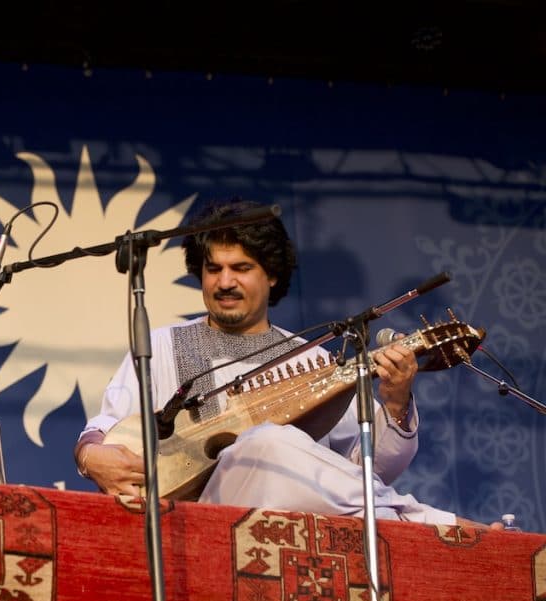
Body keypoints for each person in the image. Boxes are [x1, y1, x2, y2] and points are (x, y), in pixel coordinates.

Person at [74, 198, 495, 528]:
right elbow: (105, 427)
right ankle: (431, 523)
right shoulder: (161, 345)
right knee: (264, 443)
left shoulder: (311, 359)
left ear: (271, 275)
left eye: (241, 268)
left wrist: (397, 400)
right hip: (197, 515)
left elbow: (363, 473)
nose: (224, 282)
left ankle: (414, 521)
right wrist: (91, 457)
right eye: (213, 269)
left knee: (268, 444)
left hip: (287, 511)